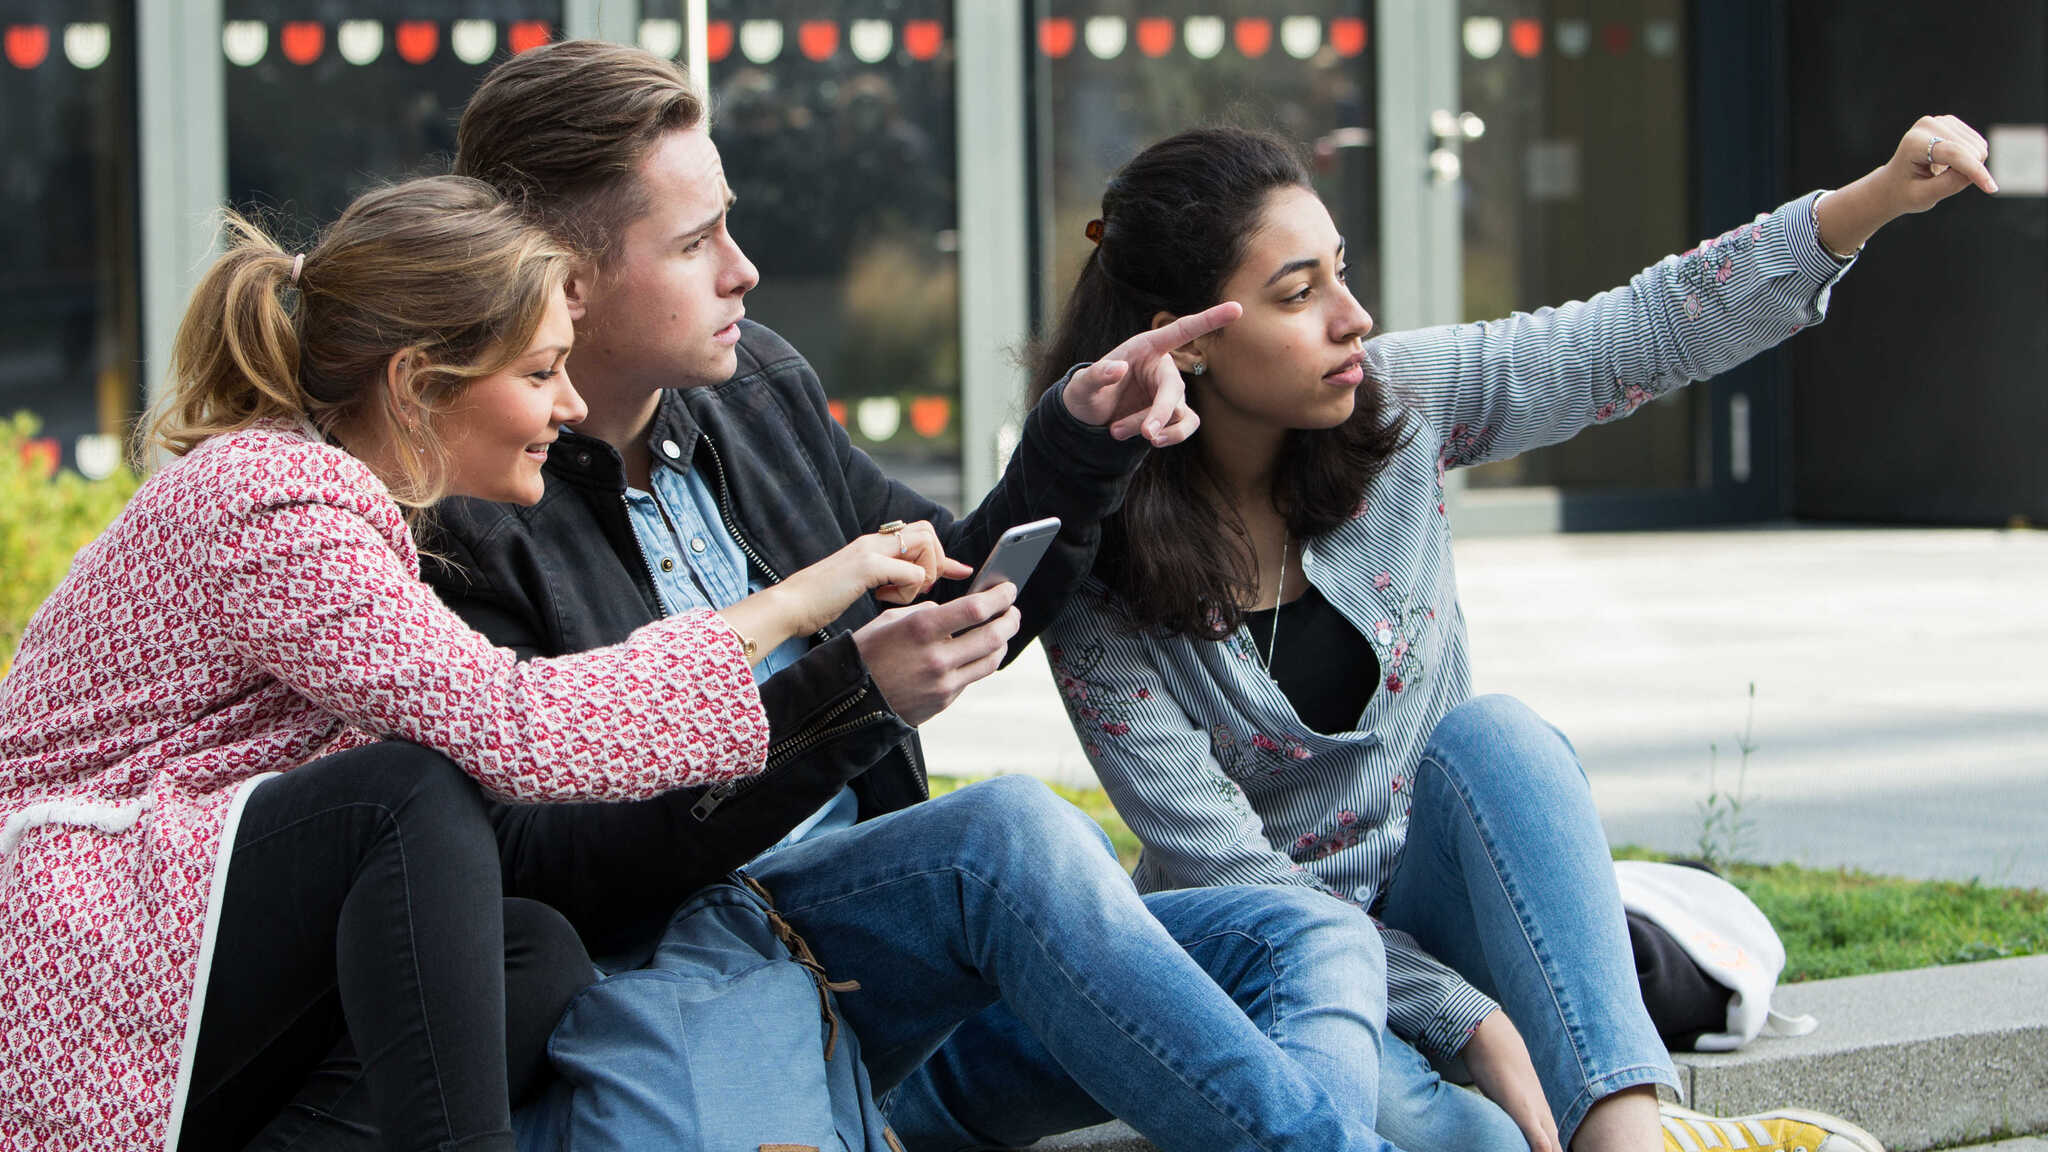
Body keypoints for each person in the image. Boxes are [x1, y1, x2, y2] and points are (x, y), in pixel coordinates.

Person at [429, 40, 1417, 1152]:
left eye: (729, 224)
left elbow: (952, 584)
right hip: (718, 998)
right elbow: (552, 876)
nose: (743, 270)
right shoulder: (460, 508)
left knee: (1296, 934)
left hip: (918, 998)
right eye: (696, 242)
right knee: (1001, 835)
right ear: (563, 274)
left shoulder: (753, 390)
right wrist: (849, 702)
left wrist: (1077, 444)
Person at [1020, 118, 1995, 1152]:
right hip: (1279, 975)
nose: (1353, 318)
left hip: (1457, 911)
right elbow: (1228, 875)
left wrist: (1872, 199)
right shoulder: (1093, 573)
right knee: (1454, 1139)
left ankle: (1629, 1138)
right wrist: (1463, 1016)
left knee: (1498, 741)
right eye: (1298, 295)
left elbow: (1637, 333)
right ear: (1190, 338)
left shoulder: (1396, 405)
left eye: (1340, 274)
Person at [0, 177, 936, 1151]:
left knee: (524, 954)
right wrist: (800, 600)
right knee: (404, 797)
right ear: (415, 383)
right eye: (539, 373)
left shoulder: (323, 495)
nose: (570, 405)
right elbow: (519, 728)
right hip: (65, 976)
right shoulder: (273, 507)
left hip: (153, 946)